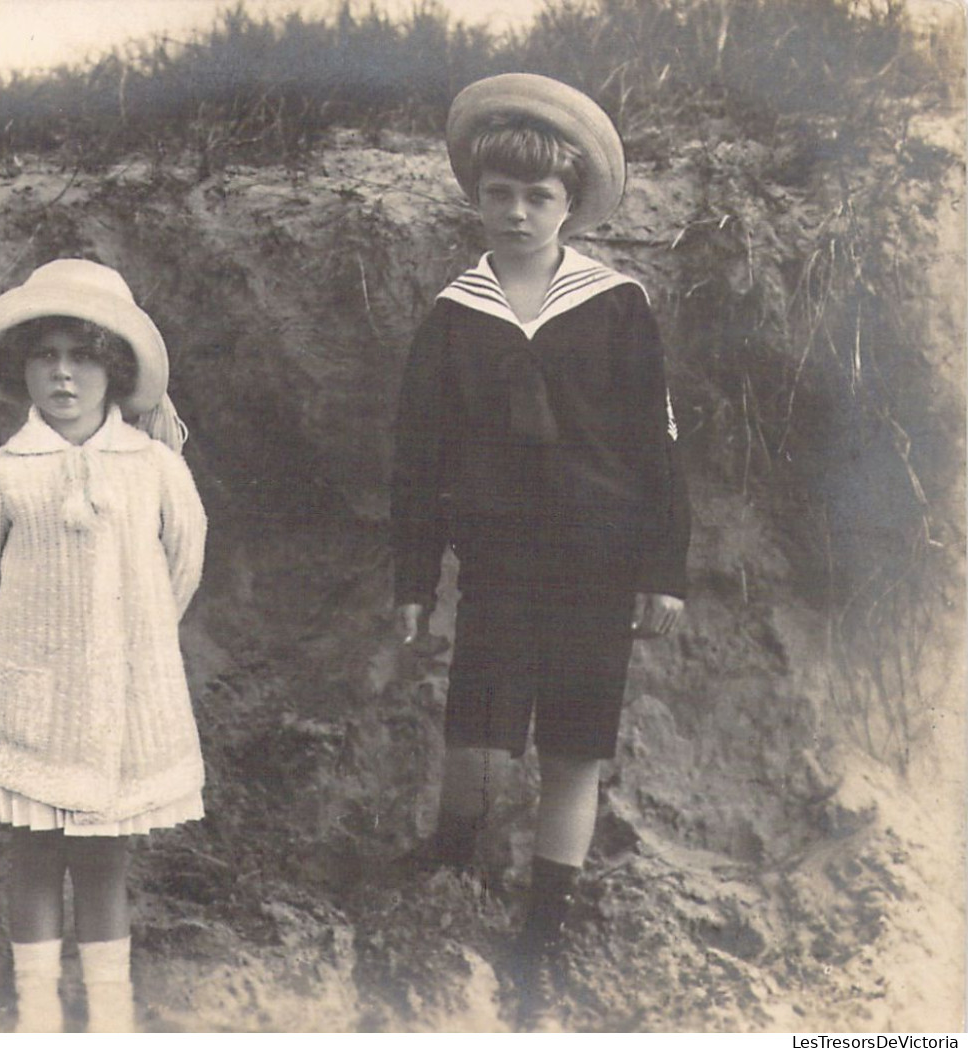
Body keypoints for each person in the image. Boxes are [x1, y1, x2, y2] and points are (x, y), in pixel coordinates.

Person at [390, 73, 691, 1017]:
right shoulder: (453, 314)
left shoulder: (615, 304)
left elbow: (657, 444)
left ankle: (542, 932)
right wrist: (412, 578)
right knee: (475, 728)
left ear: (569, 204)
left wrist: (662, 569)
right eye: (499, 195)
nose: (517, 213)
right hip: (496, 559)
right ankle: (451, 875)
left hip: (596, 560)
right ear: (475, 198)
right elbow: (416, 458)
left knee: (571, 745)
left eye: (537, 197)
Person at [0, 260, 206, 1033]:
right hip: (32, 692)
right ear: (20, 367)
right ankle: (36, 1008)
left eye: (83, 355)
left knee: (103, 855)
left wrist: (125, 644)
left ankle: (110, 1009)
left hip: (125, 693)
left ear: (114, 368)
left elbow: (178, 571)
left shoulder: (156, 469)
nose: (63, 373)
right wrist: (40, 643)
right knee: (32, 849)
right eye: (45, 355)